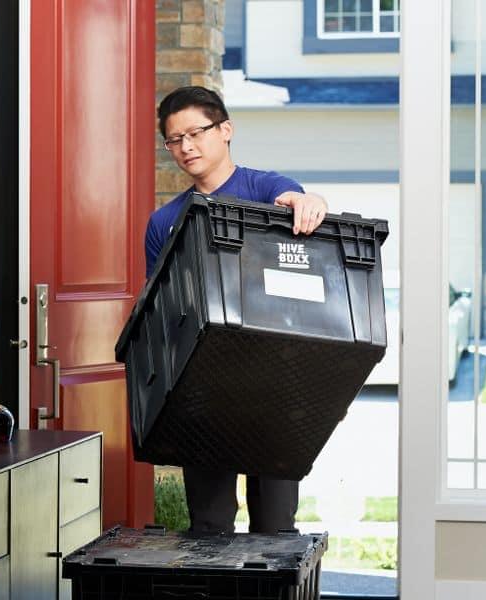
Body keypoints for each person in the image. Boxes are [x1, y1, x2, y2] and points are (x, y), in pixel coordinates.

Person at [146, 86, 328, 535]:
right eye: (174, 139)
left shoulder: (264, 188)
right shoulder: (164, 221)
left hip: (278, 386)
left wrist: (308, 203)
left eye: (196, 132)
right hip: (203, 392)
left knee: (275, 525)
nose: (186, 147)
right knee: (208, 526)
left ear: (225, 130)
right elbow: (159, 309)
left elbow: (295, 199)